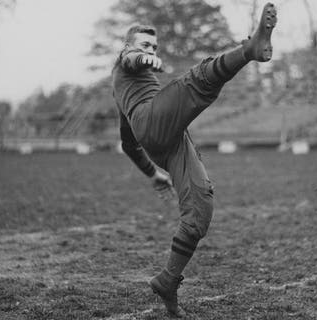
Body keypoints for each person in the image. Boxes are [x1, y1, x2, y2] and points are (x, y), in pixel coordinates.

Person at [111, 3, 277, 317]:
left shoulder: (125, 90)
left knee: (201, 208)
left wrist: (153, 175)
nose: (151, 50)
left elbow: (128, 143)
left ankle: (168, 280)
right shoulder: (125, 64)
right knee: (197, 81)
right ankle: (249, 49)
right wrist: (144, 57)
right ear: (127, 47)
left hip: (165, 142)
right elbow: (130, 59)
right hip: (152, 121)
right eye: (145, 44)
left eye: (154, 46)